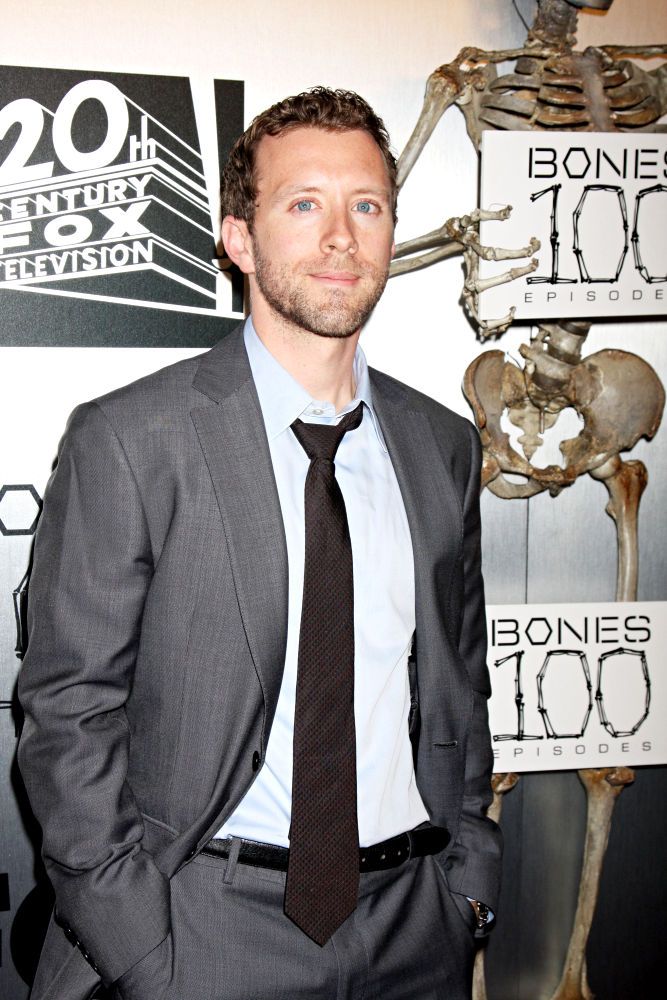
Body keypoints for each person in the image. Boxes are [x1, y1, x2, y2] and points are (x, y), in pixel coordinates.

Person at [18, 87, 501, 1000]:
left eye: (366, 206)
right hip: (204, 928)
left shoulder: (441, 446)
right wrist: (141, 950)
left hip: (416, 926)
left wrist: (466, 885)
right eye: (303, 204)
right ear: (238, 239)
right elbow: (69, 710)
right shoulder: (131, 439)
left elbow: (460, 682)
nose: (340, 238)